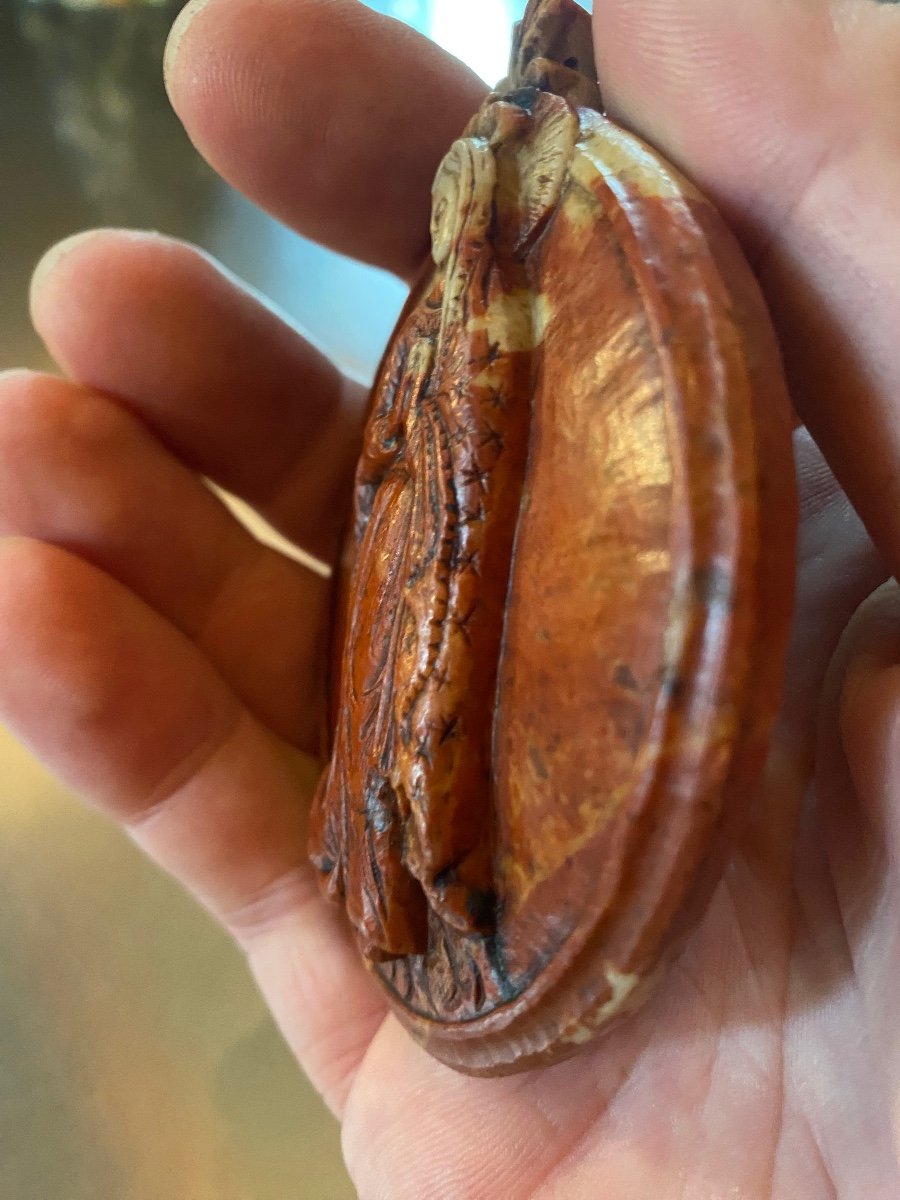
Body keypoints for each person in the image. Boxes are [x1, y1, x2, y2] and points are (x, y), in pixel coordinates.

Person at [1, 0, 898, 1193]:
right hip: (443, 554)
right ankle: (397, 850)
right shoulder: (472, 310)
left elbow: (475, 451)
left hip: (473, 552)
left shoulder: (511, 308)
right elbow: (396, 472)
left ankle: (422, 845)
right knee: (398, 718)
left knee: (427, 724)